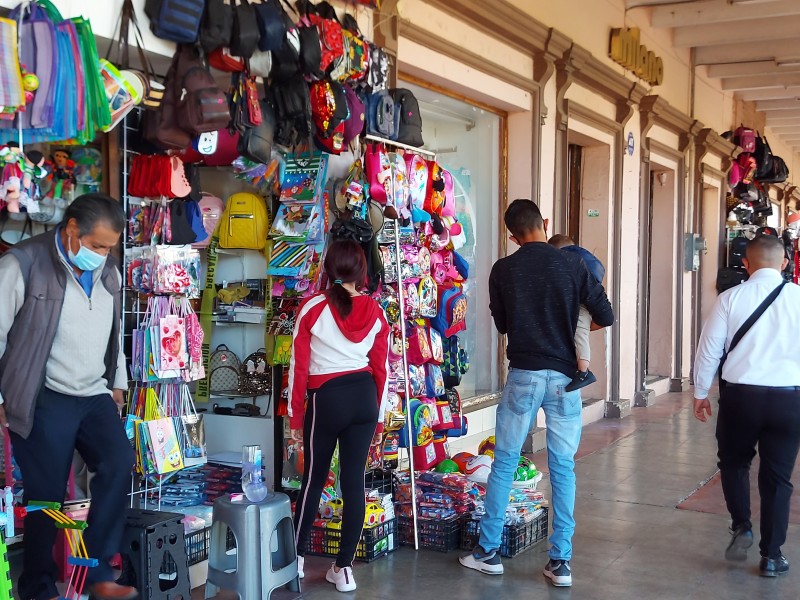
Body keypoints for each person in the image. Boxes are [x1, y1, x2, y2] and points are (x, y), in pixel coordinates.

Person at [459, 199, 613, 587]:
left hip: (524, 375)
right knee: (563, 468)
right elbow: (605, 315)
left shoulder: (503, 269)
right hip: (565, 381)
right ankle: (560, 562)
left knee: (505, 462)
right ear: (545, 223)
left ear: (512, 236)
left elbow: (504, 324)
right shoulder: (574, 265)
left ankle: (488, 553)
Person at [0, 194, 136, 600]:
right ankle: (38, 587)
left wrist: (118, 382)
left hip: (93, 393)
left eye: (110, 246)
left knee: (118, 462)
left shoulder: (108, 270)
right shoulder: (22, 264)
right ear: (72, 229)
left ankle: (97, 576)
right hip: (43, 395)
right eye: (98, 245)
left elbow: (115, 334)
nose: (104, 254)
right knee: (46, 493)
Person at [693, 234, 800, 578]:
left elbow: (709, 349)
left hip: (741, 398)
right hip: (789, 398)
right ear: (785, 263)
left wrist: (699, 393)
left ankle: (742, 525)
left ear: (745, 264)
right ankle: (772, 556)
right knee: (778, 477)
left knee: (734, 463)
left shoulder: (729, 298)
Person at [288, 240, 389, 593]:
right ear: (362, 272)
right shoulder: (377, 311)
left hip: (326, 399)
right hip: (364, 398)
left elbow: (298, 368)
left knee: (314, 480)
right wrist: (378, 419)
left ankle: (296, 560)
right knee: (353, 484)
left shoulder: (312, 307)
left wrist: (295, 418)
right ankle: (344, 569)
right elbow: (382, 370)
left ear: (328, 269)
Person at [548, 234, 606, 392]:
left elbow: (606, 317)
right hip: (580, 304)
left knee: (580, 333)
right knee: (580, 333)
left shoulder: (570, 263)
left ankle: (583, 371)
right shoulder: (583, 260)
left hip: (581, 305)